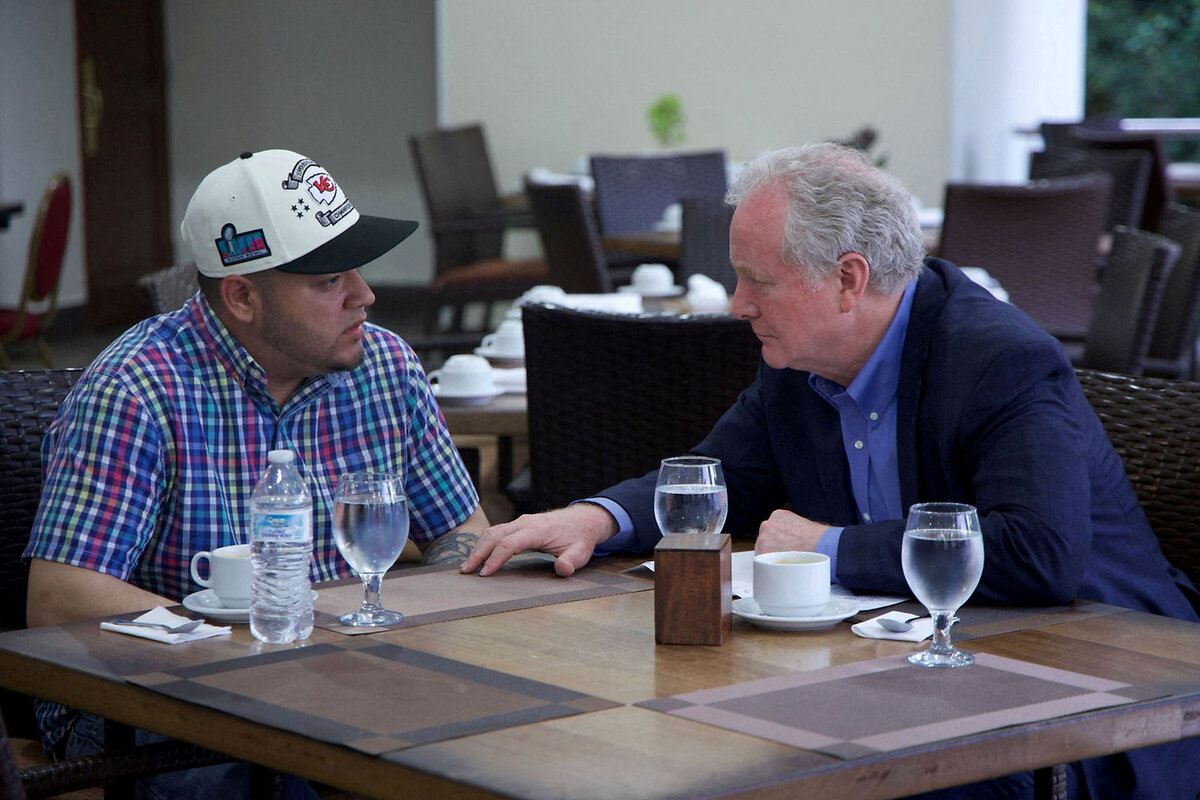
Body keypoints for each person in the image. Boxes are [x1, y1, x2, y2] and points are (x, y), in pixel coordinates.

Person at [463, 142, 1200, 799]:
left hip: (1102, 694)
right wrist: (596, 518)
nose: (737, 302)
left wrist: (823, 546)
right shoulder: (798, 360)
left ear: (849, 279)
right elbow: (718, 479)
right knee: (696, 746)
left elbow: (1038, 554)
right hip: (924, 672)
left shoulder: (998, 360)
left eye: (758, 281)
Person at [24, 149, 487, 798]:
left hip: (351, 679)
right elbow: (62, 596)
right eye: (330, 281)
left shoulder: (386, 367)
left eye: (358, 269)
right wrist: (245, 659)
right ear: (242, 296)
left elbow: (462, 530)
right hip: (155, 702)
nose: (366, 296)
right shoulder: (139, 388)